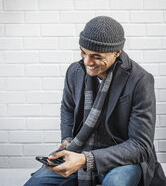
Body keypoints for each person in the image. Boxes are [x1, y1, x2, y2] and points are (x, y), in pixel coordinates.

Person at [24, 16, 166, 186]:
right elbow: (67, 109)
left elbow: (140, 145)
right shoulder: (74, 71)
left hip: (123, 159)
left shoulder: (140, 80)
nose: (87, 62)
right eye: (83, 52)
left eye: (96, 56)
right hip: (79, 150)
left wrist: (85, 159)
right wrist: (68, 138)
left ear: (117, 52)